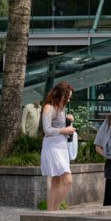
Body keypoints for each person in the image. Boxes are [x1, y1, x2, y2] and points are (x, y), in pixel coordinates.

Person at [40, 82, 75, 211]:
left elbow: (59, 126)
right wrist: (64, 130)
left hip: (61, 146)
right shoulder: (49, 107)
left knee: (56, 183)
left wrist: (68, 121)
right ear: (60, 95)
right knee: (68, 180)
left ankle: (50, 213)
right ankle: (55, 210)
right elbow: (47, 129)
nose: (68, 100)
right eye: (67, 97)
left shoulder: (61, 108)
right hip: (53, 147)